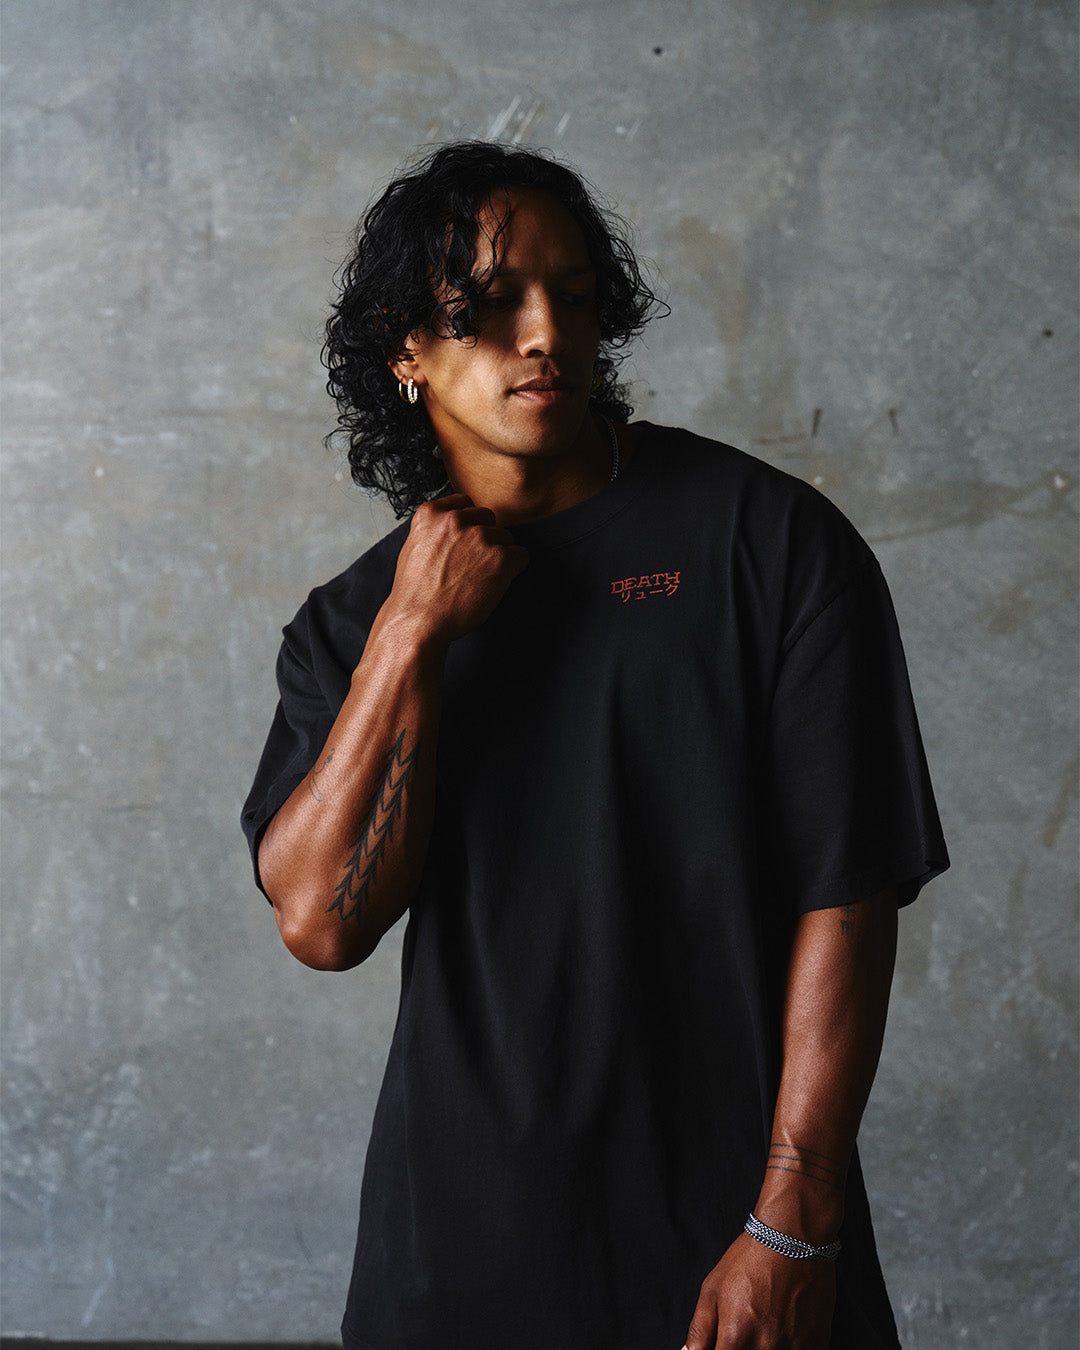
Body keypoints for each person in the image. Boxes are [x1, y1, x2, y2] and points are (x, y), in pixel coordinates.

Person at [241, 141, 949, 1350]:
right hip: (460, 1255)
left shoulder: (769, 544)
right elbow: (321, 923)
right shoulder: (355, 623)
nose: (543, 334)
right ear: (405, 349)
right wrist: (412, 636)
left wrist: (794, 1224)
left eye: (571, 296)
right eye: (490, 302)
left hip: (736, 1247)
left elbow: (849, 895)